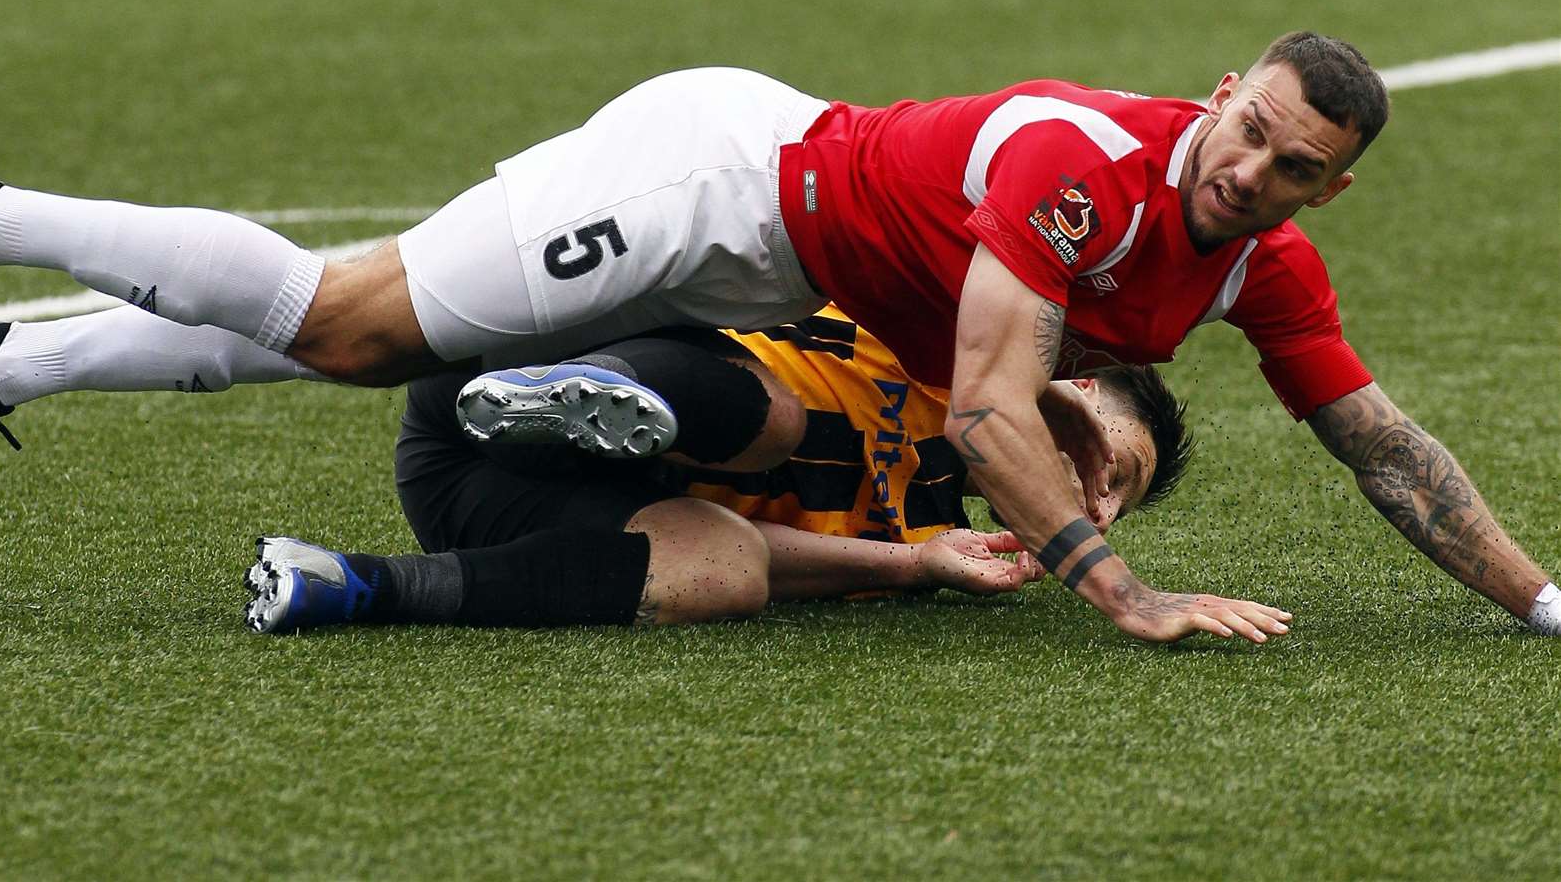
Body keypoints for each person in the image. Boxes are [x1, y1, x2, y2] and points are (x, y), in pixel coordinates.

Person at [0, 32, 1554, 640]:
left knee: (366, 336)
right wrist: (1121, 593)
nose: (1250, 167)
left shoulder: (1259, 273)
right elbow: (983, 408)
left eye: (1291, 166)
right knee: (343, 322)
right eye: (1245, 127)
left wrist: (1540, 602)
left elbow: (1385, 453)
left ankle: (0, 361)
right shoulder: (1079, 169)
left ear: (1319, 194)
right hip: (711, 191)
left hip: (749, 261)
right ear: (1215, 98)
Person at [240, 310, 1196, 633]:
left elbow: (764, 565)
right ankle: (588, 386)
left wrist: (914, 566)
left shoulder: (939, 537)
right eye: (1107, 459)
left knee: (726, 570)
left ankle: (359, 587)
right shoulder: (935, 335)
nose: (1092, 494)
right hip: (493, 376)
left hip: (490, 502)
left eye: (1116, 497)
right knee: (773, 423)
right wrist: (1029, 386)